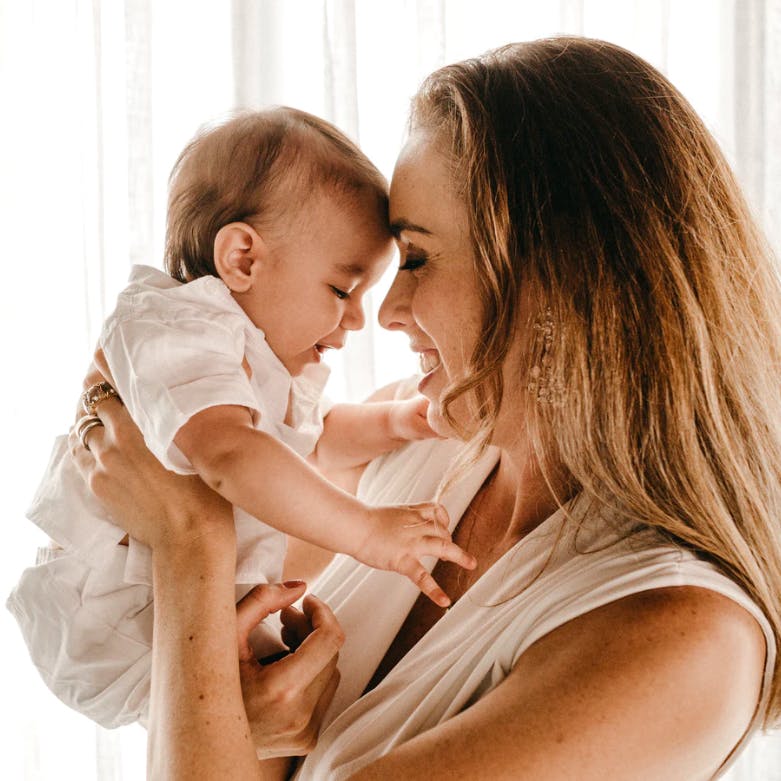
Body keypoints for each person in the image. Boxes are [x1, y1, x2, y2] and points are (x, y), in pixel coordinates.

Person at [67, 36, 781, 779]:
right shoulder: (403, 451)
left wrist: (190, 538)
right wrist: (252, 718)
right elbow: (235, 731)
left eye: (414, 257)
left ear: (556, 278)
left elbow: (202, 615)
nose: (386, 313)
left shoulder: (680, 637)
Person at [6, 106, 475, 730]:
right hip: (120, 612)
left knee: (293, 711)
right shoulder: (175, 325)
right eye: (342, 290)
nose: (361, 318)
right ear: (243, 259)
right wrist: (367, 532)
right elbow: (232, 456)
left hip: (189, 601)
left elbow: (306, 443)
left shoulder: (250, 355)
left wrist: (396, 422)